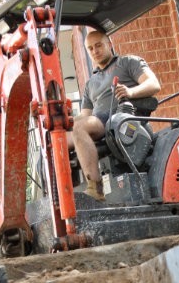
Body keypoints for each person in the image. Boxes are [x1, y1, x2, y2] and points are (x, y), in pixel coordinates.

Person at [68, 30, 161, 201]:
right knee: (59, 138)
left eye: (98, 45)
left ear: (109, 44)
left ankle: (95, 188)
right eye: (90, 48)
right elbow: (85, 115)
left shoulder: (128, 63)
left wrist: (130, 92)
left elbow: (153, 84)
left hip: (120, 119)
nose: (95, 51)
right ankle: (65, 192)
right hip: (97, 121)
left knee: (78, 127)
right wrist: (67, 122)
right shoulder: (90, 83)